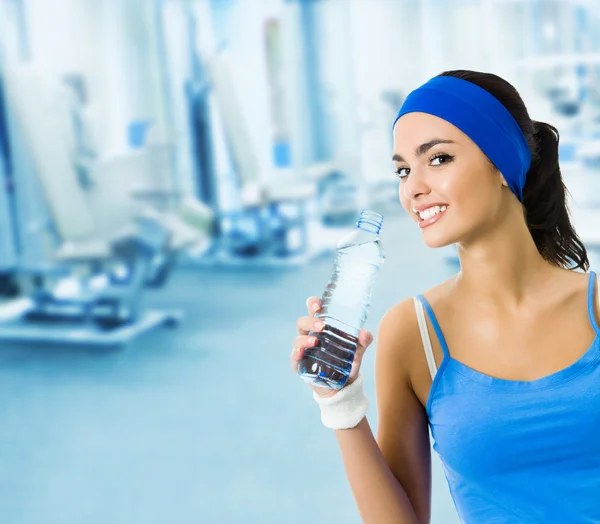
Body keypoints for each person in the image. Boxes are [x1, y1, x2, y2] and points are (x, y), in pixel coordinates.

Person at [290, 70, 600, 524]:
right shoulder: (413, 333)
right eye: (402, 169)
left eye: (437, 159)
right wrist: (340, 406)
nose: (413, 187)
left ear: (500, 161)